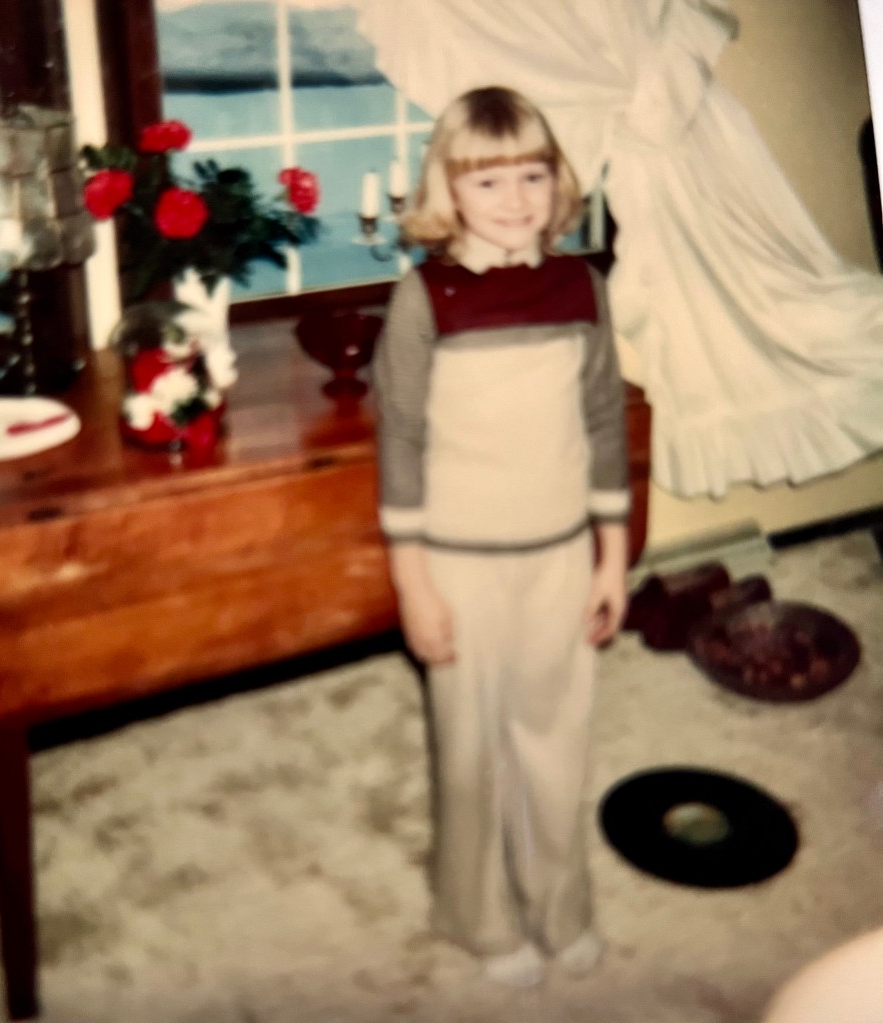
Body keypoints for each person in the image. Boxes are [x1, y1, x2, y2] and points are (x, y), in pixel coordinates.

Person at [373, 86, 630, 988]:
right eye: (487, 181)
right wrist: (414, 584)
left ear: (558, 181)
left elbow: (604, 421)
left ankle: (561, 905)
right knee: (471, 748)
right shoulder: (424, 298)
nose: (515, 199)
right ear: (447, 189)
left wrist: (611, 558)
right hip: (459, 565)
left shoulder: (581, 288)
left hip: (560, 555)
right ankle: (476, 915)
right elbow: (400, 439)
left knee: (556, 743)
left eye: (532, 175)